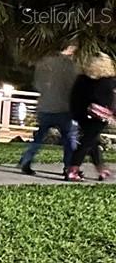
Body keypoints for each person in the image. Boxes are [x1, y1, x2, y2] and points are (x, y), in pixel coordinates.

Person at [19, 46, 80, 175]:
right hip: (63, 107)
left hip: (45, 105)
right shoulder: (68, 65)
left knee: (39, 137)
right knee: (69, 138)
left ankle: (26, 160)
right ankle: (68, 167)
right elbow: (72, 85)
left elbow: (37, 84)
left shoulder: (43, 63)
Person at [64, 53, 115, 182]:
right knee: (87, 142)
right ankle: (73, 169)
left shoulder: (82, 78)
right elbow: (109, 100)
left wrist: (76, 112)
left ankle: (101, 168)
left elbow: (74, 97)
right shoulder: (107, 80)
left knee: (91, 141)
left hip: (82, 114)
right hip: (99, 116)